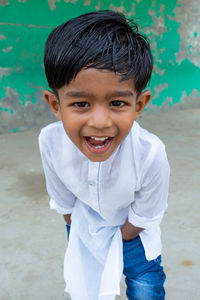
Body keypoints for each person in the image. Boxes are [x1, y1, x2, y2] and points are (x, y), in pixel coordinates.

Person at [39, 10, 170, 300]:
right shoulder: (50, 141)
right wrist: (84, 234)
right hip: (83, 225)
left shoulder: (150, 154)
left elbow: (146, 213)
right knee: (84, 281)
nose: (99, 122)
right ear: (55, 104)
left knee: (145, 281)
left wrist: (116, 239)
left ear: (139, 104)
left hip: (132, 232)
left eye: (117, 102)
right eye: (81, 103)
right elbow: (63, 200)